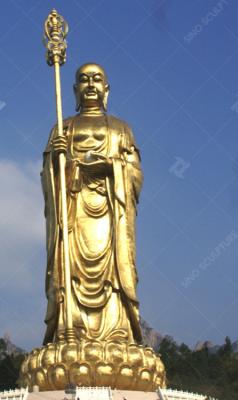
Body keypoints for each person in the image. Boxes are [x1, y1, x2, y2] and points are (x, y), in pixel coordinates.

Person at [41, 63, 143, 345]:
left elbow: (135, 175)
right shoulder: (64, 128)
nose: (90, 85)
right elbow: (48, 177)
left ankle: (118, 332)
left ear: (106, 89)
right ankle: (70, 329)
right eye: (83, 80)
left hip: (111, 213)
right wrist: (58, 162)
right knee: (69, 271)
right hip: (73, 212)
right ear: (74, 90)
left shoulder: (122, 129)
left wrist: (112, 167)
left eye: (96, 79)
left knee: (114, 274)